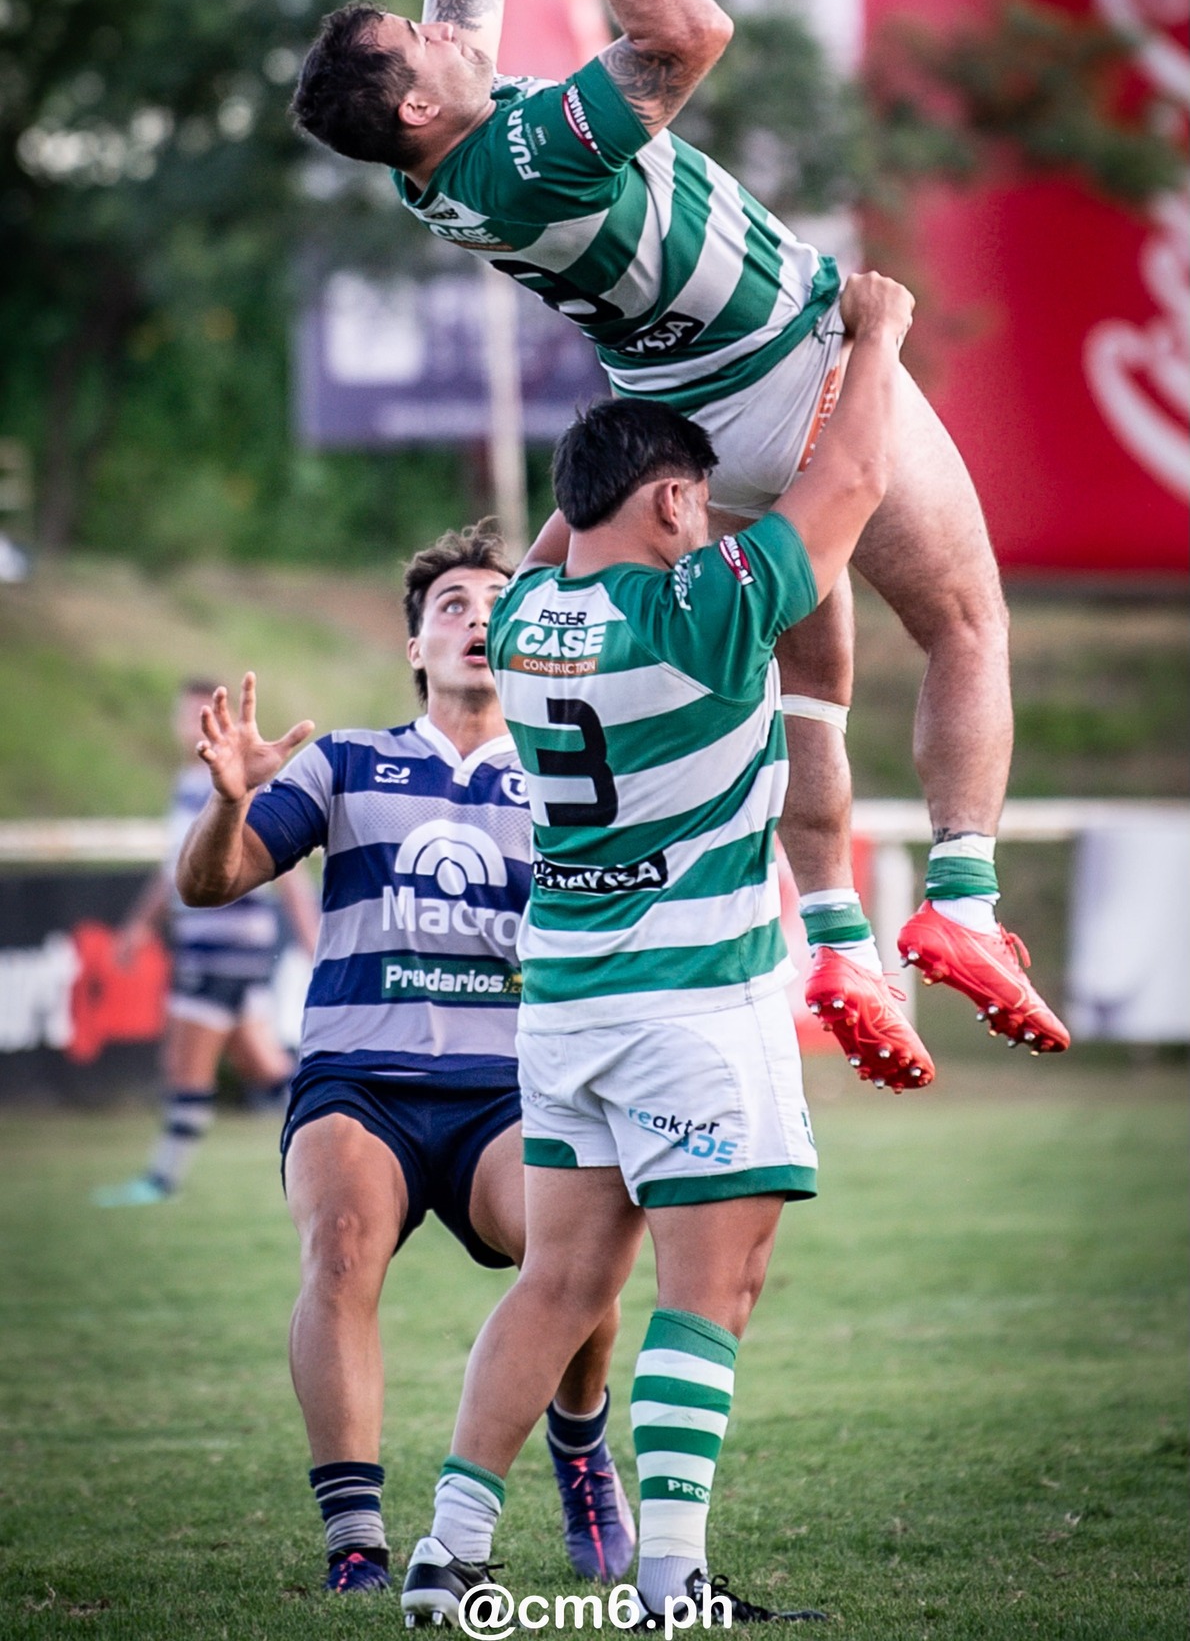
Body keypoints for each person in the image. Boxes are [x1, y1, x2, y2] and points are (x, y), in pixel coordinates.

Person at [289, 0, 1069, 1086]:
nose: (434, 30)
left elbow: (461, 49)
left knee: (811, 678)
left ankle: (832, 935)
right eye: (417, 38)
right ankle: (965, 901)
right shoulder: (527, 154)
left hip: (692, 424)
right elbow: (691, 31)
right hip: (788, 369)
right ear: (419, 99)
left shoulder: (428, 163)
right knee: (966, 623)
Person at [399, 271, 920, 1630]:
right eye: (688, 499)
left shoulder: (520, 627)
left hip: (564, 1006)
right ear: (675, 504)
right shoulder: (701, 614)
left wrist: (634, 400)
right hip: (691, 1002)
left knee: (558, 1285)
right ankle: (671, 1582)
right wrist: (877, 338)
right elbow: (854, 482)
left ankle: (446, 1554)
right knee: (714, 1285)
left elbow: (583, 522)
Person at [170, 530, 635, 1595]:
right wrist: (234, 798)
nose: (476, 617)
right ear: (415, 643)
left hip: (510, 1089)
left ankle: (578, 1448)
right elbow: (214, 880)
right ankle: (355, 1538)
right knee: (338, 1247)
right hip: (357, 1079)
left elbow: (619, 933)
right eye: (452, 604)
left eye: (496, 603)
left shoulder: (573, 778)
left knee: (579, 1249)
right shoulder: (343, 760)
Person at [93, 678, 319, 1208]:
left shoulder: (242, 781)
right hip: (211, 948)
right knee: (265, 1067)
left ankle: (161, 1180)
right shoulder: (186, 785)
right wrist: (139, 925)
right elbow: (175, 868)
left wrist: (313, 939)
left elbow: (289, 872)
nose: (196, 726)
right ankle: (347, 1121)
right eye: (187, 715)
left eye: (205, 715)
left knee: (182, 1063)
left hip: (229, 948)